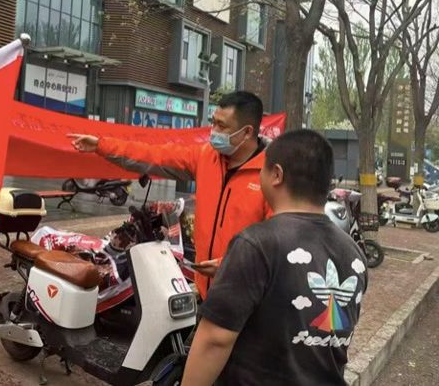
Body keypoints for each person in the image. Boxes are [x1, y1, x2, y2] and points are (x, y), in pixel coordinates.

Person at [182, 129, 368, 385]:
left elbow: (215, 340)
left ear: (276, 175)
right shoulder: (354, 253)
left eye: (262, 168)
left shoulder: (256, 244)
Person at [69, 91, 271, 300]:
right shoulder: (206, 157)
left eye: (222, 126)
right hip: (208, 294)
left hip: (247, 299)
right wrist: (101, 145)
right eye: (213, 122)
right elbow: (154, 155)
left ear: (247, 132)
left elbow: (277, 245)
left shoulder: (272, 176)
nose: (214, 131)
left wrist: (228, 266)